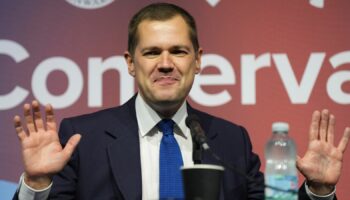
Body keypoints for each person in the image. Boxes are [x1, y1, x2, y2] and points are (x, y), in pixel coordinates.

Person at [12, 2, 349, 200]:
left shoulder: (232, 141)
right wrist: (37, 185)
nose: (165, 63)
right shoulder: (82, 139)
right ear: (130, 62)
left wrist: (317, 190)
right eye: (152, 52)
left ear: (198, 60)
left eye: (178, 51)